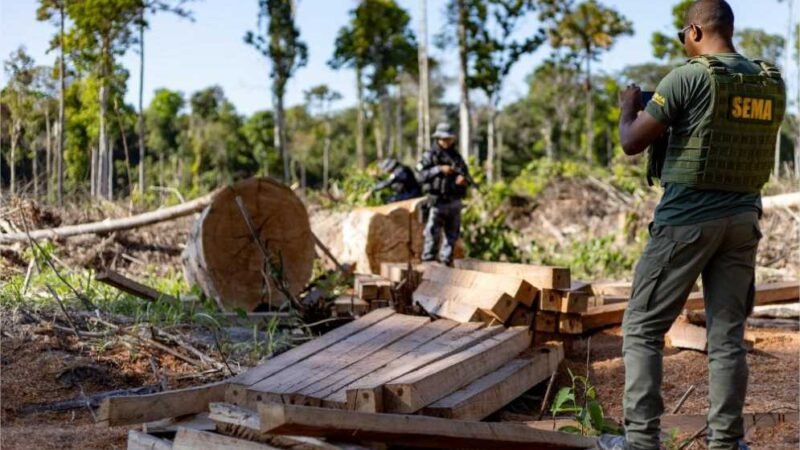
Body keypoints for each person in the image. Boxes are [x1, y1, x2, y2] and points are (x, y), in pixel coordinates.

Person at [600, 1, 786, 449]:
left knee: (643, 327)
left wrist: (629, 107)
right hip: (743, 220)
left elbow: (631, 142)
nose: (684, 42)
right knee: (727, 339)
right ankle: (726, 442)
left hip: (687, 220)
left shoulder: (689, 76)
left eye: (684, 34)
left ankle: (641, 441)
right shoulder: (769, 80)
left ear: (697, 32)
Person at [416, 122, 473, 266]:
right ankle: (428, 260)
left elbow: (467, 176)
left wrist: (463, 180)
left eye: (449, 139)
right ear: (438, 139)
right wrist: (439, 169)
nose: (447, 142)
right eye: (444, 139)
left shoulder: (457, 157)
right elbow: (420, 176)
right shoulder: (430, 155)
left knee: (452, 234)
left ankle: (446, 261)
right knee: (432, 232)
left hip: (454, 201)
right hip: (437, 201)